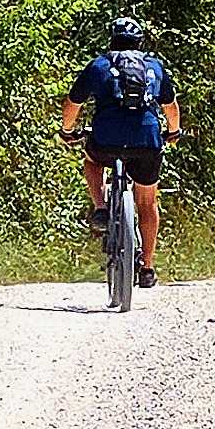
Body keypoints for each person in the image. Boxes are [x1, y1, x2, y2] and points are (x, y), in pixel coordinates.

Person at [60, 16, 180, 287]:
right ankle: (147, 268)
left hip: (105, 140)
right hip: (146, 141)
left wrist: (68, 131)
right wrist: (173, 132)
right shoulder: (154, 67)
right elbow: (170, 108)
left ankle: (101, 207)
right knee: (147, 203)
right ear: (140, 43)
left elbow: (72, 104)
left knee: (92, 162)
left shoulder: (99, 65)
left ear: (111, 41)